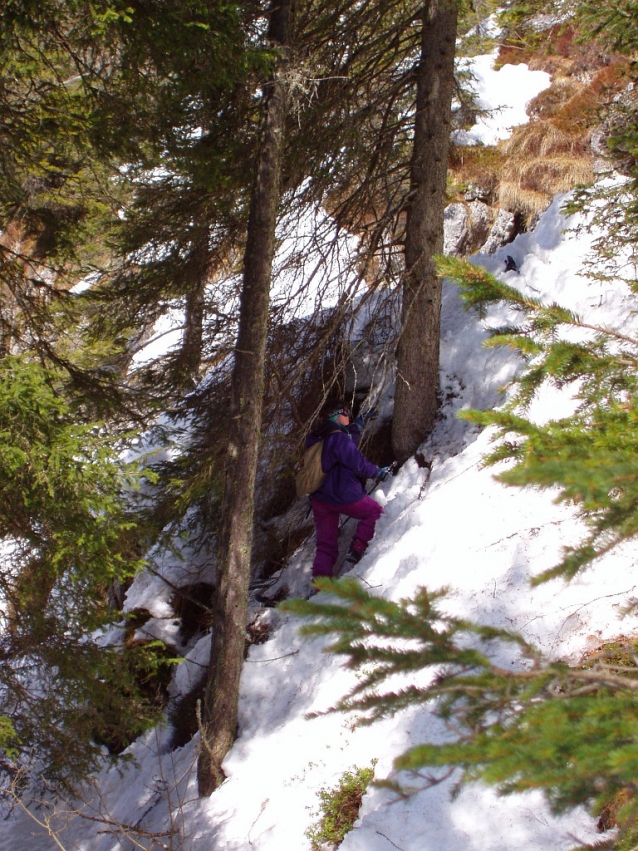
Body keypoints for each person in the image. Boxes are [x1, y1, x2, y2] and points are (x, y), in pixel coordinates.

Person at [306, 403, 390, 582]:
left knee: (325, 546)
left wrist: (357, 427)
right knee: (374, 512)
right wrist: (378, 472)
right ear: (336, 416)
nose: (349, 417)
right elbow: (356, 462)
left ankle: (320, 589)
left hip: (320, 500)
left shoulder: (317, 438)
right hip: (344, 494)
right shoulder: (339, 439)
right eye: (346, 413)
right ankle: (358, 547)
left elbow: (344, 446)